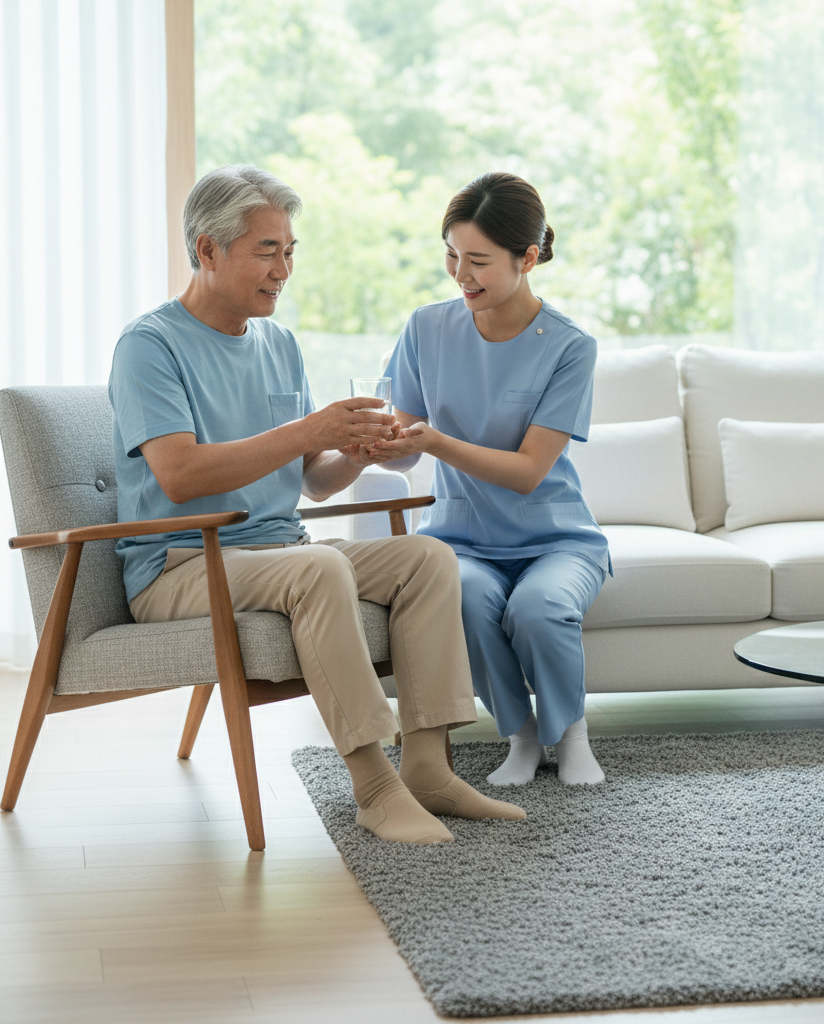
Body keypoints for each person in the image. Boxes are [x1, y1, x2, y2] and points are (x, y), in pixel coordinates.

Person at [108, 165, 525, 844]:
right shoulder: (150, 346)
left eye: (290, 250)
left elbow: (313, 480)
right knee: (319, 569)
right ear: (207, 250)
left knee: (426, 558)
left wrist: (355, 452)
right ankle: (374, 786)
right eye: (266, 250)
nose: (283, 269)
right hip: (182, 566)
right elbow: (179, 475)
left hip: (277, 554)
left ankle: (428, 768)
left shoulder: (279, 344)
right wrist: (309, 429)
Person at [372, 172, 610, 786]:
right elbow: (403, 449)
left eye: (478, 260)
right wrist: (379, 445)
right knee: (466, 598)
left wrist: (437, 442)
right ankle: (522, 736)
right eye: (452, 255)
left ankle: (570, 733)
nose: (461, 274)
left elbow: (530, 472)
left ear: (528, 257)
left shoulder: (568, 347)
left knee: (539, 607)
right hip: (461, 539)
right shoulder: (426, 329)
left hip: (556, 537)